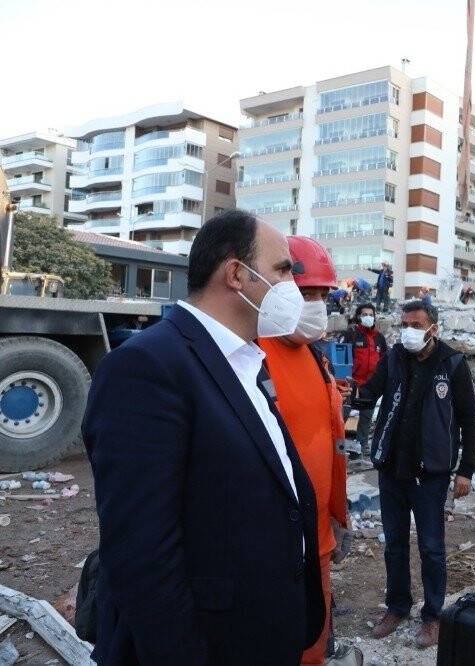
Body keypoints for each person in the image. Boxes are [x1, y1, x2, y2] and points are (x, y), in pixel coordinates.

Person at [83, 210, 325, 665]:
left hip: (262, 631)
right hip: (208, 644)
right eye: (282, 270)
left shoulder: (245, 360)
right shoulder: (148, 367)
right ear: (236, 274)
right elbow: (141, 553)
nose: (291, 285)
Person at [357, 300, 475, 649]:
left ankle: (433, 616)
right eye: (405, 323)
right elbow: (371, 392)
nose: (408, 329)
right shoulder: (395, 356)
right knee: (394, 545)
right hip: (392, 470)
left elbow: (469, 421)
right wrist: (347, 395)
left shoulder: (452, 363)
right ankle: (397, 607)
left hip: (430, 476)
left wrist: (465, 470)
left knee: (431, 548)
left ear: (433, 329)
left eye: (416, 324)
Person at [257, 236, 351, 665]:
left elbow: (330, 443)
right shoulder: (250, 356)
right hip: (270, 546)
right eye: (305, 293)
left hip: (318, 539)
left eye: (321, 295)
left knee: (313, 641)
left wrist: (337, 514)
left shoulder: (317, 358)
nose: (315, 304)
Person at [337, 302, 387, 458]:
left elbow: (385, 360)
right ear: (358, 317)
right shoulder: (350, 335)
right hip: (351, 386)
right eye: (364, 315)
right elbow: (341, 359)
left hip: (370, 387)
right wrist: (345, 383)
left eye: (371, 315)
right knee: (341, 418)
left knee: (365, 420)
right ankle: (338, 448)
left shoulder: (379, 338)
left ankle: (360, 450)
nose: (368, 317)